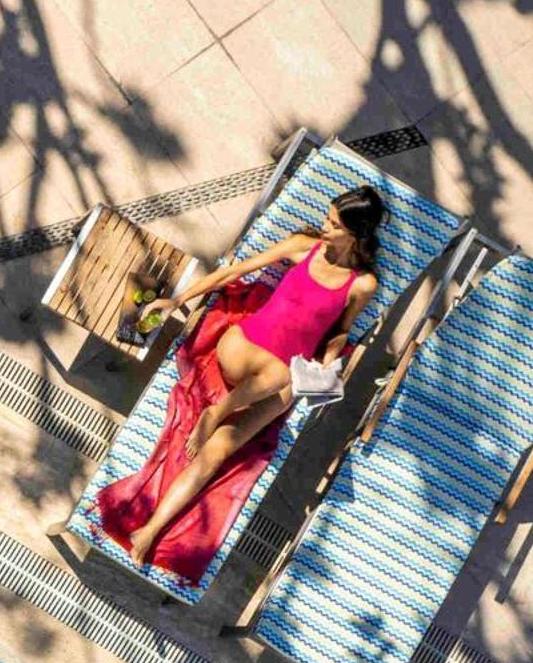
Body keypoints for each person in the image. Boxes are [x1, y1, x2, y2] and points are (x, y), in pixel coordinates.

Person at [99, 186, 385, 573]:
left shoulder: (362, 284)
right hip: (242, 350)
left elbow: (341, 331)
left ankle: (149, 531)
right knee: (280, 375)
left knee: (221, 449)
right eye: (328, 217)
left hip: (276, 378)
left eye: (334, 224)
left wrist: (328, 362)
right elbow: (236, 271)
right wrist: (177, 301)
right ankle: (216, 412)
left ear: (356, 234)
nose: (324, 225)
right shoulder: (304, 246)